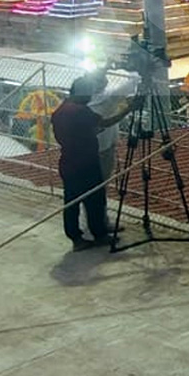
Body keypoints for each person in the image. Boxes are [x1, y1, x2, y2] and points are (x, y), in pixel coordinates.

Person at [52, 76, 137, 252]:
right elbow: (104, 122)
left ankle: (76, 236)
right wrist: (128, 109)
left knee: (71, 202)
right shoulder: (79, 111)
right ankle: (99, 233)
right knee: (95, 200)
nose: (91, 97)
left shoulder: (61, 110)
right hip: (85, 162)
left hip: (68, 161)